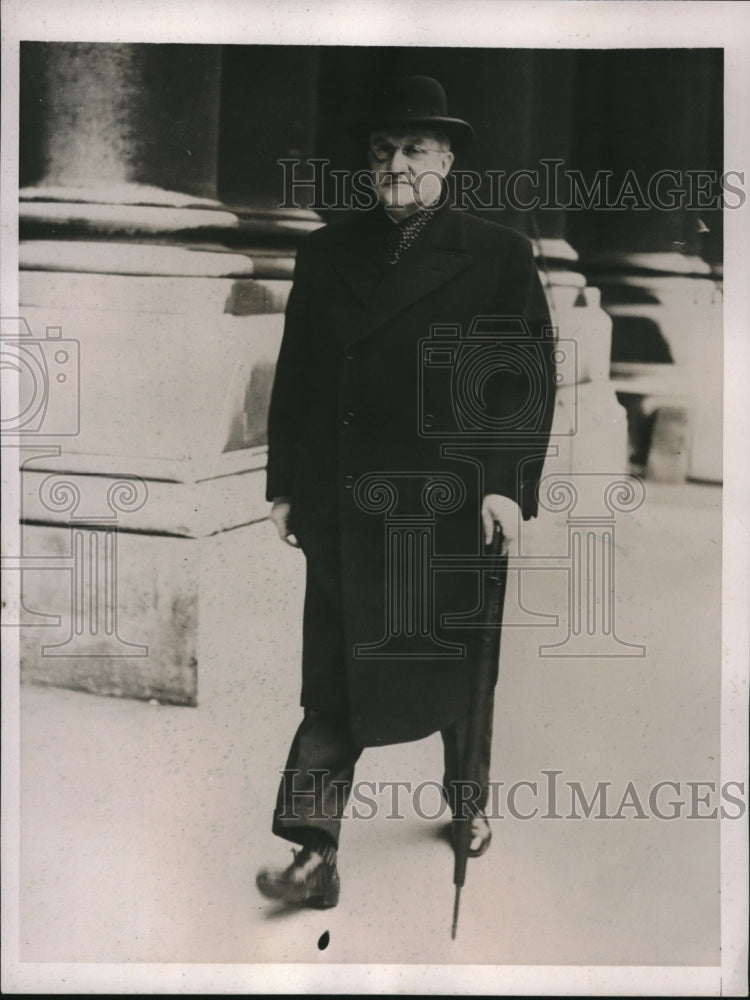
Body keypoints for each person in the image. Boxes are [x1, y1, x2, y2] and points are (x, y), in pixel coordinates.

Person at [256, 75, 556, 909]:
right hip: (349, 506)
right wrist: (287, 484)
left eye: (415, 148)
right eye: (382, 149)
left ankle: (467, 803)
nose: (395, 163)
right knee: (335, 677)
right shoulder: (326, 251)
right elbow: (299, 381)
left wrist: (506, 488)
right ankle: (312, 851)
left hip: (453, 504)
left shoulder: (498, 254)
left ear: (449, 158)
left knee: (458, 666)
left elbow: (522, 384)